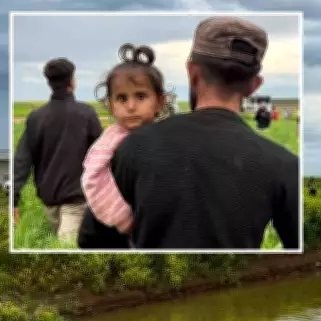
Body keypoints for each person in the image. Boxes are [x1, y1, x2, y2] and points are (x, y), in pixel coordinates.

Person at [81, 16, 300, 249]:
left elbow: (92, 240)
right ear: (254, 85)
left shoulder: (130, 146)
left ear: (192, 72)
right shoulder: (284, 164)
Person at [78, 44, 167, 249]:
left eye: (141, 96)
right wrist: (126, 221)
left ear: (159, 102)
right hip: (114, 234)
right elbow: (93, 181)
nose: (131, 106)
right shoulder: (109, 142)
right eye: (121, 98)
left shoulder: (164, 136)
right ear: (110, 104)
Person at [13, 58, 103, 241]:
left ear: (49, 83)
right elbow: (103, 155)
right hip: (76, 195)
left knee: (64, 246)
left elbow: (22, 160)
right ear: (72, 82)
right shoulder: (86, 114)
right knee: (65, 249)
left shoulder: (36, 117)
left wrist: (13, 199)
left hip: (52, 199)